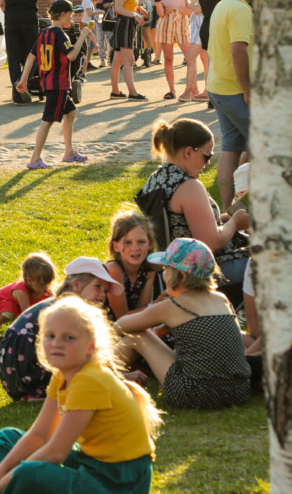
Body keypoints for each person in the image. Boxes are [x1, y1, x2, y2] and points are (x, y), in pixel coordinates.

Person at [0, 298, 160, 494]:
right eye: (50, 336)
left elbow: (56, 453)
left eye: (69, 338)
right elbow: (40, 434)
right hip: (90, 462)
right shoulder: (62, 375)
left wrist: (1, 484)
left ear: (90, 347)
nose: (57, 344)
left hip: (118, 481)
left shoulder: (90, 380)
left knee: (29, 473)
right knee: (7, 439)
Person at [116, 237, 251, 409]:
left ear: (181, 276)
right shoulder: (221, 299)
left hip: (196, 394)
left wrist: (155, 307)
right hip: (239, 391)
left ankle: (98, 374)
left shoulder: (174, 305)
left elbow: (121, 325)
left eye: (166, 269)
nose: (163, 274)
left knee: (137, 336)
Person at [139, 118, 251, 299]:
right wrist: (236, 222)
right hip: (200, 271)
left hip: (174, 269)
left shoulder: (155, 180)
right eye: (207, 156)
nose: (208, 163)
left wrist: (223, 219)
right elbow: (211, 243)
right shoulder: (188, 186)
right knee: (279, 258)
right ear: (188, 152)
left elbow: (180, 225)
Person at [0, 257, 123, 402]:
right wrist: (117, 377)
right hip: (30, 367)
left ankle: (35, 391)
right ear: (76, 285)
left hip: (12, 376)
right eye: (98, 286)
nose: (102, 295)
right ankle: (43, 388)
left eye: (105, 290)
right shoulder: (71, 311)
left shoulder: (57, 303)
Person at [17, 0, 92, 168]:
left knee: (71, 112)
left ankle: (69, 152)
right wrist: (82, 36)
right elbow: (72, 55)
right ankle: (35, 158)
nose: (71, 19)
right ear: (63, 14)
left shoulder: (43, 33)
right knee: (48, 121)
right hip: (58, 84)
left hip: (50, 82)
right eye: (70, 15)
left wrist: (23, 79)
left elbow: (31, 57)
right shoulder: (60, 34)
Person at [205, 0, 253, 208]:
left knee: (232, 148)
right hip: (235, 90)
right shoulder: (240, 10)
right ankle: (238, 208)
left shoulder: (224, 4)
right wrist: (248, 90)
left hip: (219, 86)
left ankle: (228, 210)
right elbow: (238, 50)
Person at [0, 0, 56, 102]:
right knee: (33, 55)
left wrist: (10, 13)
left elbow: (2, 3)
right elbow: (50, 0)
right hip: (30, 19)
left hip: (11, 20)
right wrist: (66, 7)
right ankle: (23, 83)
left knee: (13, 57)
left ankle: (17, 93)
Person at [0, 252, 56, 339]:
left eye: (48, 283)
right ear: (30, 281)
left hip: (18, 306)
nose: (46, 287)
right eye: (42, 284)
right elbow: (26, 314)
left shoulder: (45, 290)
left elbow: (54, 307)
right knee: (9, 310)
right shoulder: (21, 292)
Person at [103, 207, 157, 320]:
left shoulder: (148, 270)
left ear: (150, 244)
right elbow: (122, 318)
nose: (135, 248)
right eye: (128, 243)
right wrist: (159, 306)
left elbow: (140, 314)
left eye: (141, 242)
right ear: (116, 246)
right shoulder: (114, 270)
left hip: (129, 325)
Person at [153, 0, 195, 100]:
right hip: (166, 24)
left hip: (181, 24)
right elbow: (161, 14)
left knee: (189, 58)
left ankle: (193, 90)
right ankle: (172, 90)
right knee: (168, 59)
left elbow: (191, 11)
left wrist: (174, 8)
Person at [108, 0, 147, 100]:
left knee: (117, 61)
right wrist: (134, 14)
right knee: (129, 61)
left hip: (127, 25)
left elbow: (127, 6)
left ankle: (115, 92)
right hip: (124, 25)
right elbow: (118, 8)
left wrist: (138, 9)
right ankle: (133, 93)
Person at [92, 0, 116, 67]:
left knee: (110, 36)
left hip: (109, 13)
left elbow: (116, 2)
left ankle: (111, 57)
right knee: (100, 35)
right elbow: (92, 2)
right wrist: (97, 2)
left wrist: (109, 4)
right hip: (99, 12)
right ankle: (102, 59)